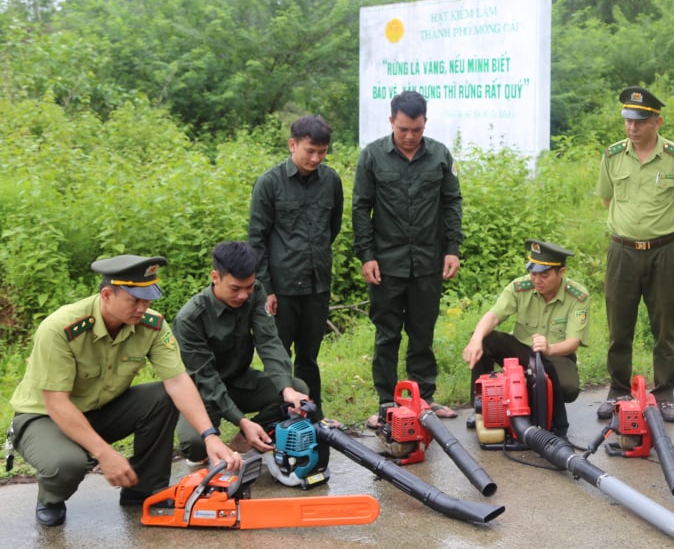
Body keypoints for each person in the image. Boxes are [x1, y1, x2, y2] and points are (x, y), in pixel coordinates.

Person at [7, 255, 241, 527]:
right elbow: (57, 403)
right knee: (67, 463)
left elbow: (178, 381)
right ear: (107, 294)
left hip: (101, 410)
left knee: (163, 395)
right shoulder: (61, 328)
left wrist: (210, 435)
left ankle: (143, 490)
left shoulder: (151, 325)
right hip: (44, 418)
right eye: (134, 300)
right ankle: (51, 498)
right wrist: (105, 454)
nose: (144, 308)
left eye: (148, 299)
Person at [352, 90, 464, 428]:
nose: (410, 136)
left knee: (422, 332)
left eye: (416, 129)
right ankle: (387, 402)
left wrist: (452, 249)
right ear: (391, 122)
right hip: (386, 263)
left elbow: (452, 203)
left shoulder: (440, 156)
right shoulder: (372, 156)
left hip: (428, 261)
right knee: (387, 334)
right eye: (403, 129)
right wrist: (366, 255)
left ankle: (424, 398)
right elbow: (360, 208)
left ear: (424, 122)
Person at [596, 86, 674, 423]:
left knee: (665, 327)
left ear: (657, 121)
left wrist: (656, 230)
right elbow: (608, 199)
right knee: (619, 326)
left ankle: (665, 394)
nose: (632, 127)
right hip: (622, 252)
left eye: (640, 121)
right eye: (627, 120)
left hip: (663, 253)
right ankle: (618, 390)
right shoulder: (611, 156)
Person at [172, 241, 311, 463]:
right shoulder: (190, 319)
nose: (243, 295)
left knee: (297, 391)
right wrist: (241, 420)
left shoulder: (255, 293)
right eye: (235, 289)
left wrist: (286, 389)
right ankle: (220, 444)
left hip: (239, 382)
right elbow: (206, 378)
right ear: (215, 277)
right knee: (195, 445)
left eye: (249, 287)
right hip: (202, 391)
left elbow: (269, 342)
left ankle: (243, 442)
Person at [248, 114, 343, 406]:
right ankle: (277, 416)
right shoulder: (269, 183)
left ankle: (312, 414)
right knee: (278, 356)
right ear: (293, 144)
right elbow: (257, 239)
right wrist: (266, 289)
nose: (316, 158)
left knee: (309, 357)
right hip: (282, 288)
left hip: (317, 286)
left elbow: (333, 227)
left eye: (322, 152)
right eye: (309, 151)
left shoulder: (331, 181)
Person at [462, 239, 590, 438]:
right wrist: (476, 339)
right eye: (533, 273)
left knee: (568, 388)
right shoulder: (520, 287)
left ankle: (537, 403)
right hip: (521, 350)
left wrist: (549, 349)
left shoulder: (578, 296)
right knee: (485, 339)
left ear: (561, 272)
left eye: (544, 275)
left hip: (556, 354)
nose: (536, 280)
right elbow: (494, 315)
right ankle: (481, 406)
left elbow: (573, 342)